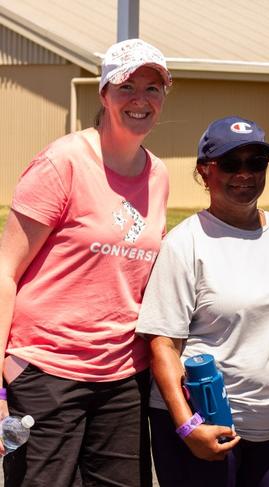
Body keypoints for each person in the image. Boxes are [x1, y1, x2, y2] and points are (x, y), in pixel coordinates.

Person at [0, 38, 172, 486]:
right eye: (127, 86)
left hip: (121, 376)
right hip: (44, 372)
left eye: (153, 88)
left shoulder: (159, 174)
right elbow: (4, 271)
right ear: (103, 93)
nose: (140, 99)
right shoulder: (64, 163)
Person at [136, 116, 269, 487]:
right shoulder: (187, 244)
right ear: (204, 172)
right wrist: (187, 426)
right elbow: (163, 344)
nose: (244, 174)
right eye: (230, 164)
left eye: (256, 163)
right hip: (205, 425)